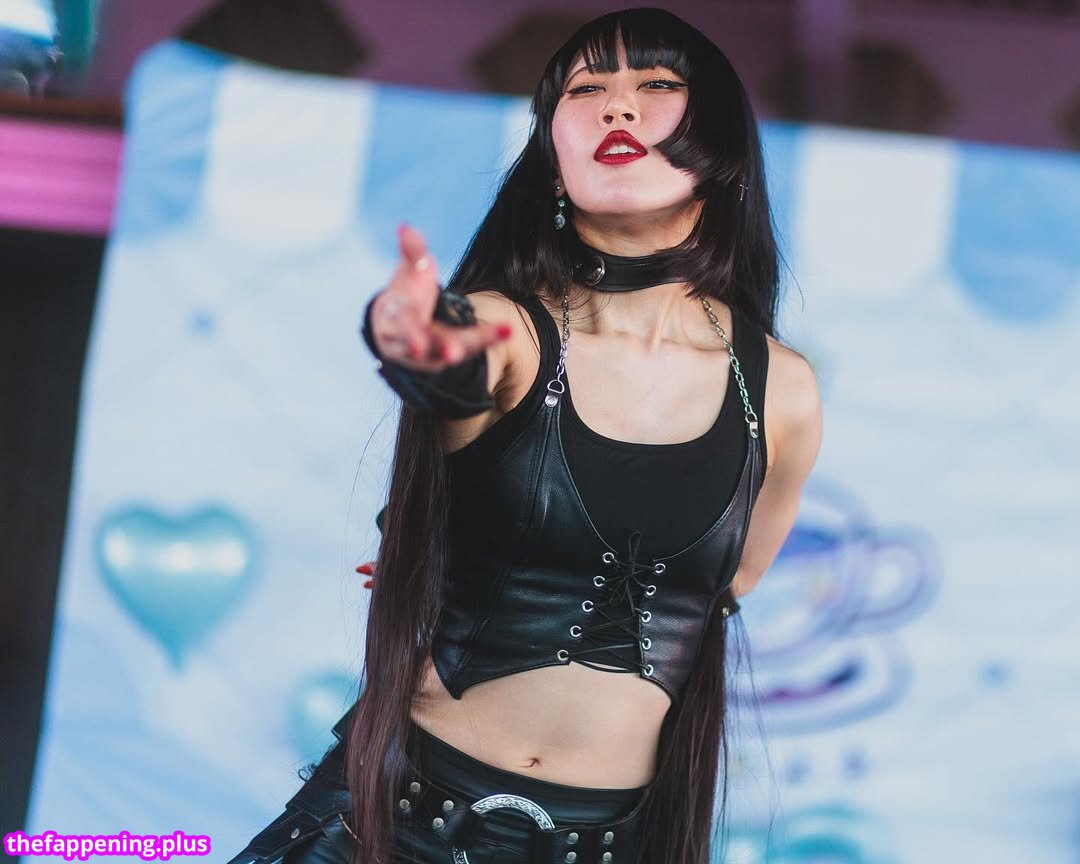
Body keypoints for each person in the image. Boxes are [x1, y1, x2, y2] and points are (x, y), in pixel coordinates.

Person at [225, 8, 822, 864]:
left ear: (723, 144)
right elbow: (455, 353)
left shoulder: (780, 389)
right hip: (393, 821)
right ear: (552, 154)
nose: (618, 106)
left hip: (608, 844)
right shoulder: (509, 327)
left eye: (656, 83)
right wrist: (410, 339)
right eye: (586, 89)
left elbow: (732, 581)